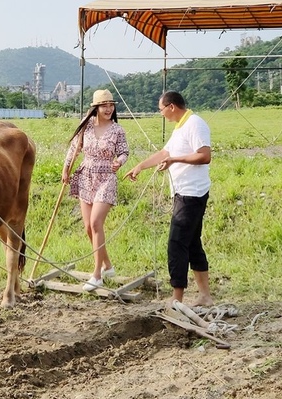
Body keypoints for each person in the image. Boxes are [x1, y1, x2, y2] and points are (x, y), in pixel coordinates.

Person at [126, 91, 212, 306]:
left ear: (171, 106)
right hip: (183, 192)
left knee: (176, 244)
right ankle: (204, 296)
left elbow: (204, 156)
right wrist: (140, 167)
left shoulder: (194, 123)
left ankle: (177, 298)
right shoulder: (181, 126)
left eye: (161, 109)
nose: (161, 113)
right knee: (192, 244)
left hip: (192, 194)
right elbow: (165, 153)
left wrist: (175, 159)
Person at [62, 89, 130, 292]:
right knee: (88, 227)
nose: (109, 109)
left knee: (96, 222)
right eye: (104, 105)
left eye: (111, 105)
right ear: (96, 108)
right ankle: (107, 266)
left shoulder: (117, 130)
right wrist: (66, 169)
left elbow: (124, 151)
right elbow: (74, 149)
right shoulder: (86, 126)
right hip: (85, 175)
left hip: (106, 177)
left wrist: (119, 161)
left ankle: (97, 275)